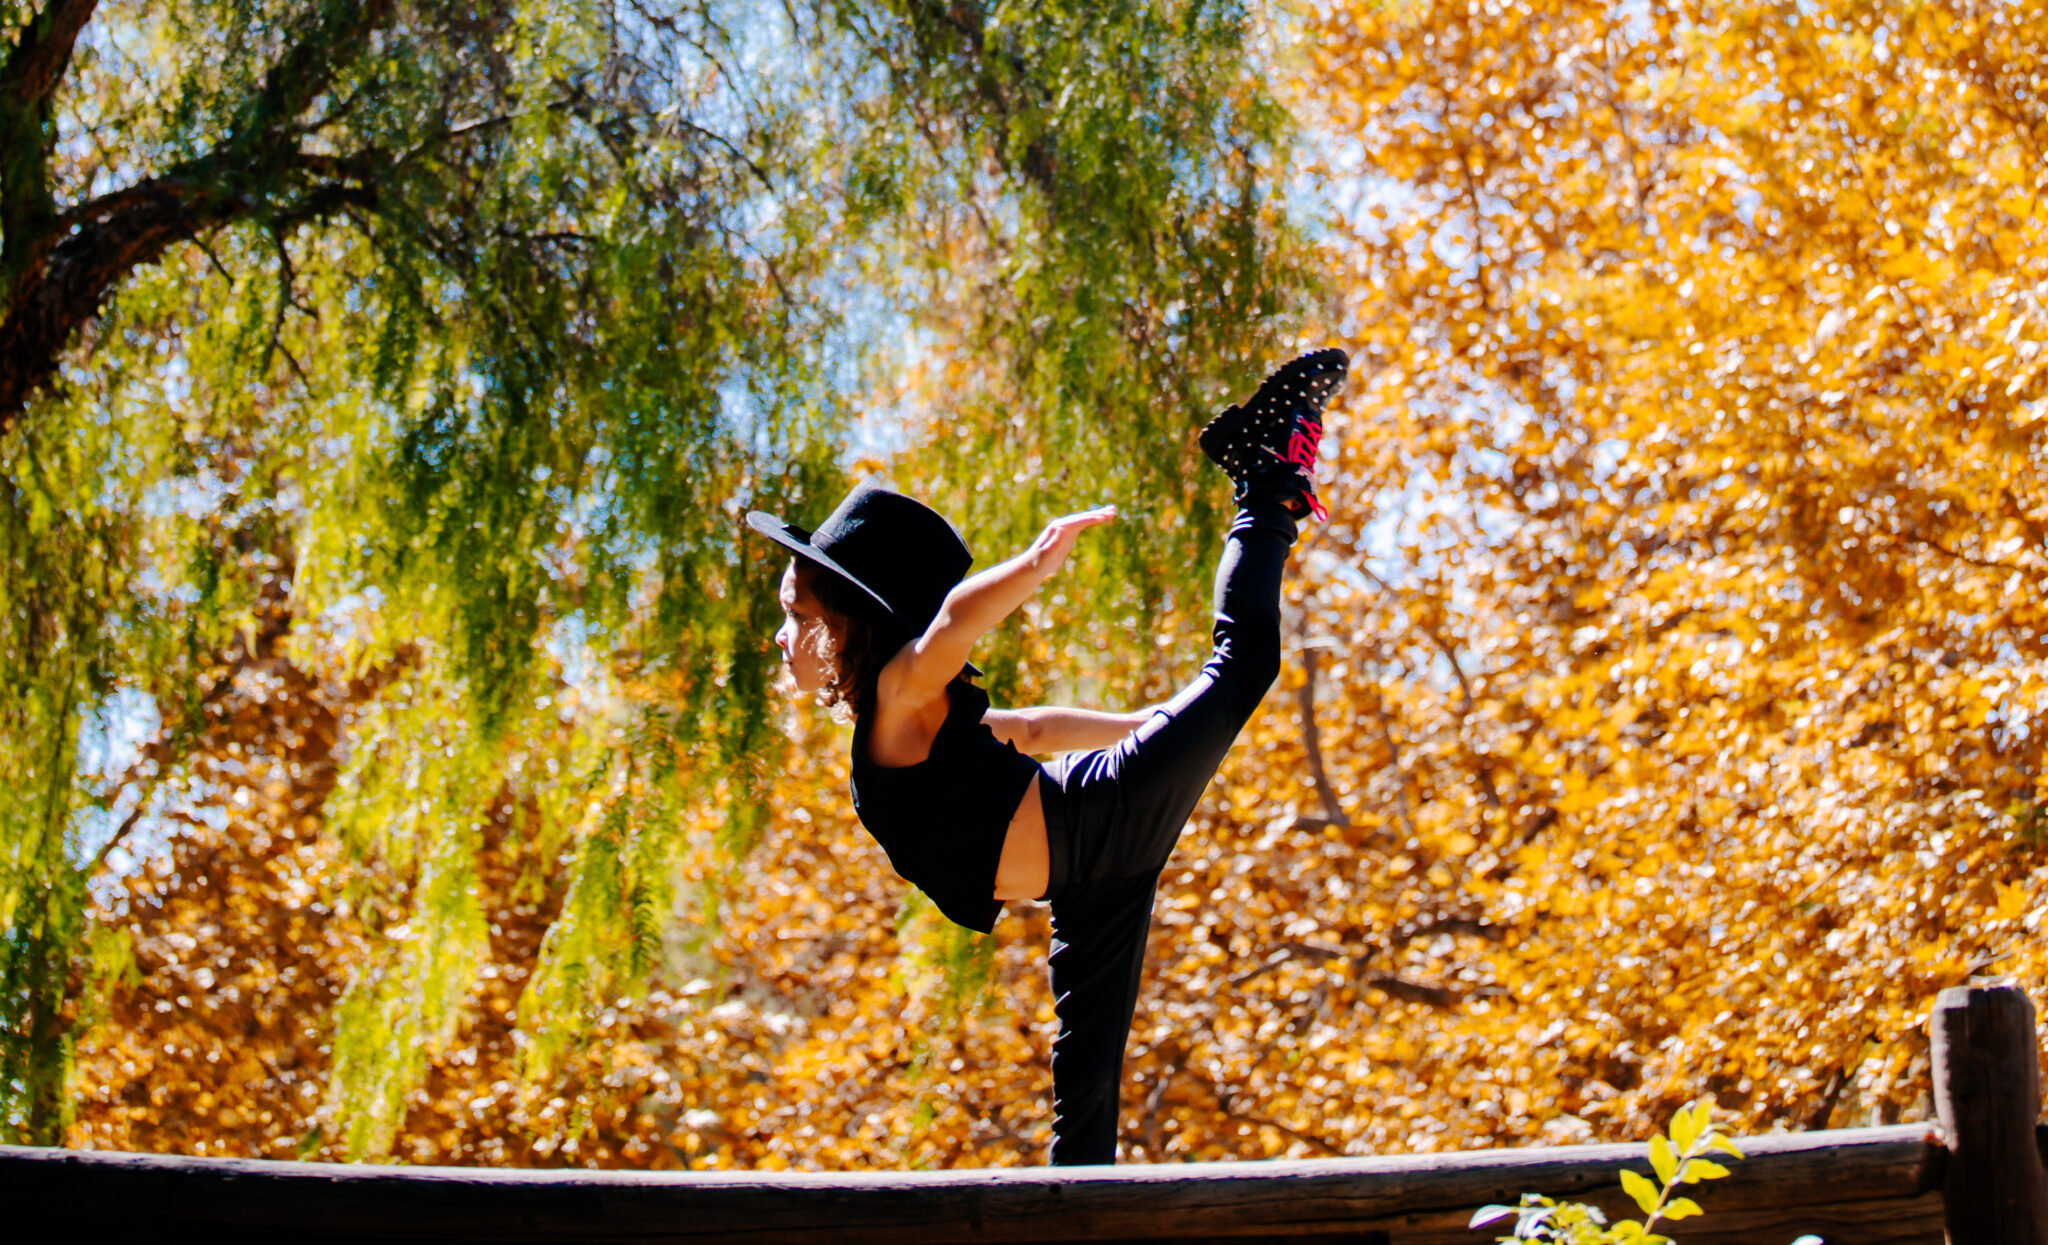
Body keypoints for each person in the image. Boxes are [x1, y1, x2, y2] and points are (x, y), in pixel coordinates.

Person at [746, 348, 1349, 1164]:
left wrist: (1032, 568)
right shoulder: (900, 728)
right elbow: (1027, 731)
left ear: (847, 623)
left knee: (1243, 666)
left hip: (1096, 820)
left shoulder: (899, 695)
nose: (781, 637)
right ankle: (1079, 1221)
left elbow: (950, 628)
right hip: (1092, 878)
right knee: (1086, 1096)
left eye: (794, 615)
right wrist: (1147, 725)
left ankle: (1265, 477)